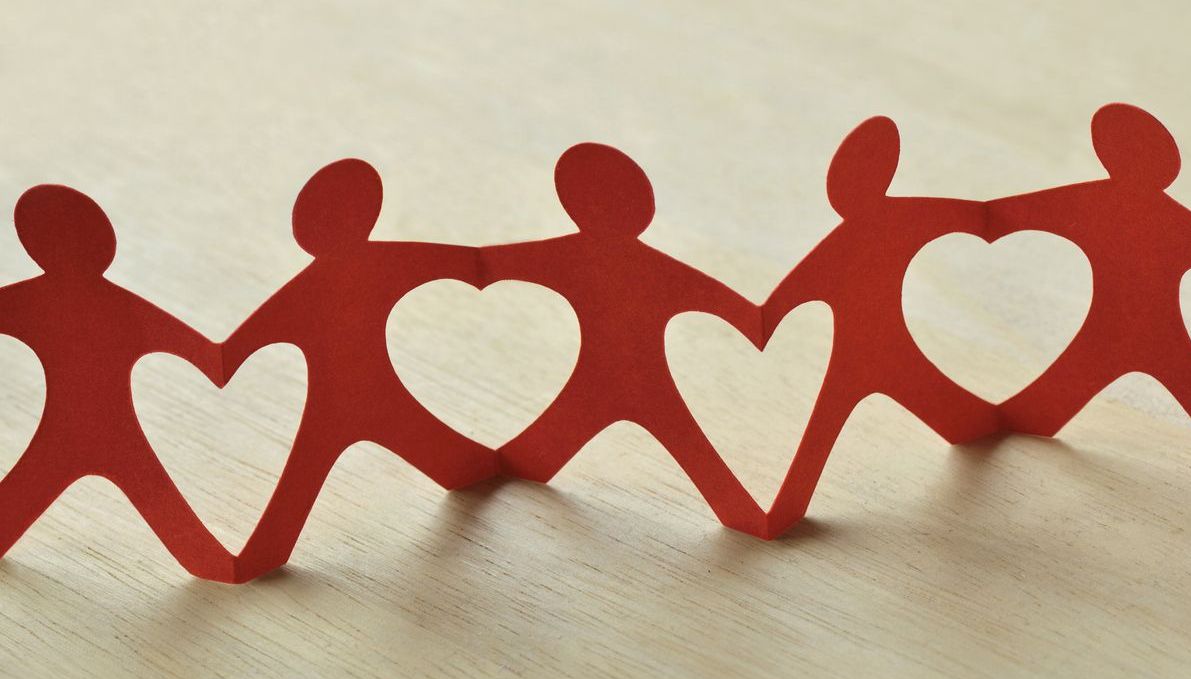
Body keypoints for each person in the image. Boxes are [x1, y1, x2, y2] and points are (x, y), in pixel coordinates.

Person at [226, 158, 498, 581]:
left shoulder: (319, 281)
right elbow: (457, 262)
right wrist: (484, 266)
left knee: (309, 470)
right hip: (362, 399)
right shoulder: (356, 270)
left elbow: (243, 343)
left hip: (346, 402)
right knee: (321, 467)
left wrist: (217, 358)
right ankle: (478, 467)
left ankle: (260, 553)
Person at [480, 143, 768, 536]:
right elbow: (733, 307)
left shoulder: (586, 257)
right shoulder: (631, 263)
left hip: (619, 382)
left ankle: (748, 514)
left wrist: (461, 266)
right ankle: (749, 515)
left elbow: (492, 263)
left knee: (549, 445)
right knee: (681, 447)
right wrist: (759, 320)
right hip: (634, 382)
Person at [987, 103, 1191, 478]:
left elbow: (1007, 213)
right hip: (1140, 333)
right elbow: (1015, 212)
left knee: (1055, 398)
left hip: (1125, 331)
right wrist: (979, 219)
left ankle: (1014, 418)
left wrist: (978, 219)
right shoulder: (1149, 214)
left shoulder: (1107, 205)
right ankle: (1013, 418)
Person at [764, 116, 1001, 536]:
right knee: (839, 420)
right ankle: (780, 509)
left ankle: (781, 509)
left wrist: (760, 319)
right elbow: (971, 216)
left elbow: (789, 297)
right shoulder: (892, 221)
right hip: (878, 352)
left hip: (868, 354)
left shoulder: (864, 231)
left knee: (829, 423)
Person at [0, 184, 237, 580]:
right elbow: (203, 352)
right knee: (155, 496)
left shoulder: (33, 301)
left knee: (35, 484)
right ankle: (219, 565)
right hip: (106, 432)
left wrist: (220, 358)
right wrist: (222, 360)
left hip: (76, 432)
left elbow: (199, 350)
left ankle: (218, 564)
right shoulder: (111, 303)